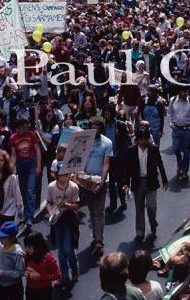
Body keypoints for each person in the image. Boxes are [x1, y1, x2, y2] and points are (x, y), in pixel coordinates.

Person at [123, 126, 168, 243]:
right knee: (139, 209)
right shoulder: (131, 150)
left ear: (148, 139)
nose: (143, 141)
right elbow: (127, 168)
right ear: (137, 139)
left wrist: (164, 180)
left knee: (151, 207)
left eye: (145, 139)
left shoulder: (154, 149)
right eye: (140, 139)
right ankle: (140, 232)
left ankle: (153, 224)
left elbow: (160, 164)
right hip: (138, 182)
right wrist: (126, 183)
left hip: (151, 181)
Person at [45, 163, 79, 289]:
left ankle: (74, 269)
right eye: (62, 174)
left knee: (68, 249)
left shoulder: (73, 187)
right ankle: (64, 275)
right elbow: (48, 203)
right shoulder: (51, 187)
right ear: (57, 175)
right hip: (57, 220)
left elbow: (76, 205)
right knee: (60, 250)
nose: (64, 176)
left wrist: (67, 205)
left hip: (69, 219)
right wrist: (51, 213)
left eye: (66, 174)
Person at [83, 116, 112, 257]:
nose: (95, 130)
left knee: (99, 211)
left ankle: (99, 240)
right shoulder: (84, 141)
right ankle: (96, 237)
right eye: (93, 127)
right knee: (92, 211)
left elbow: (106, 163)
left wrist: (102, 179)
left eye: (98, 128)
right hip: (86, 181)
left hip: (100, 180)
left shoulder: (107, 142)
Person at [0, 150, 24, 244]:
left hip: (8, 210)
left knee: (6, 233)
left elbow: (17, 195)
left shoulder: (12, 177)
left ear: (5, 162)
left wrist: (20, 210)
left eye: (1, 160)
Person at [10, 117, 42, 228]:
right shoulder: (13, 138)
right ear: (18, 128)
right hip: (20, 164)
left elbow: (37, 150)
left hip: (31, 164)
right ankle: (23, 214)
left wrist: (38, 166)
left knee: (30, 191)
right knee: (22, 191)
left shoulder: (31, 135)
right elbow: (13, 155)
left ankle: (29, 217)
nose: (26, 128)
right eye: (24, 126)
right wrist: (11, 169)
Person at [167, 86, 190, 181]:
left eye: (187, 92)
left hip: (187, 129)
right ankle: (179, 164)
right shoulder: (173, 100)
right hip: (176, 129)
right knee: (175, 148)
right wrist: (170, 123)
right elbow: (169, 113)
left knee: (186, 151)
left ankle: (184, 171)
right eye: (183, 92)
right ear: (179, 92)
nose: (186, 94)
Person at [102, 103, 130, 213]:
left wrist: (126, 157)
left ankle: (123, 202)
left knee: (120, 182)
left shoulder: (120, 125)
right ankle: (113, 204)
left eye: (109, 114)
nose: (107, 116)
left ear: (113, 114)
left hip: (119, 158)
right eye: (105, 114)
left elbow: (126, 141)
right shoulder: (103, 127)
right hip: (109, 159)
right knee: (111, 183)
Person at [0, 221, 26, 300]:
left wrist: (2, 272)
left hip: (13, 288)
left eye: (3, 237)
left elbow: (20, 273)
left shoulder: (17, 252)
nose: (0, 238)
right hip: (0, 286)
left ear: (12, 238)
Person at [24, 231, 61, 300]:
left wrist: (41, 277)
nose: (26, 249)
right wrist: (25, 272)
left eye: (29, 247)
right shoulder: (27, 256)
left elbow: (57, 275)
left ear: (37, 247)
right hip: (30, 290)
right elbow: (23, 269)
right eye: (26, 246)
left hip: (44, 291)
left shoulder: (49, 258)